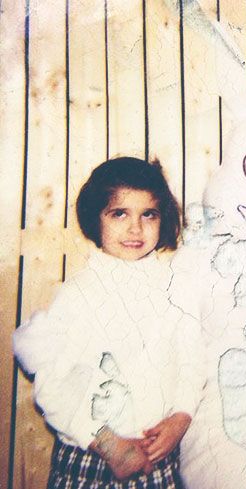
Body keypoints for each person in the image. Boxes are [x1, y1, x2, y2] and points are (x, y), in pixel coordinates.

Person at [13, 157, 205, 488]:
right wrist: (108, 444)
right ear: (95, 218)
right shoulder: (77, 295)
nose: (135, 228)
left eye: (148, 214)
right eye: (120, 213)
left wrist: (181, 418)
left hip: (158, 460)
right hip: (92, 461)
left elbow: (193, 361)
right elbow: (52, 386)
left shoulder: (177, 287)